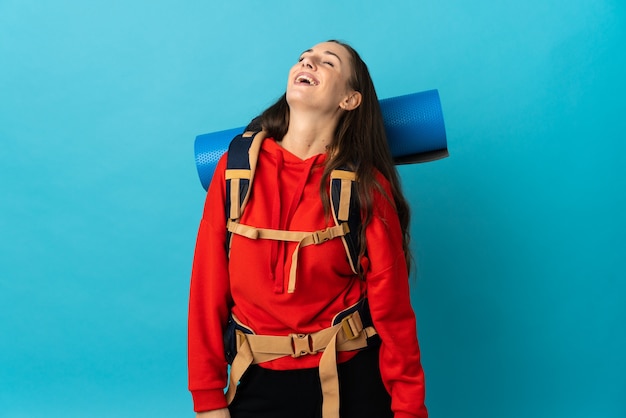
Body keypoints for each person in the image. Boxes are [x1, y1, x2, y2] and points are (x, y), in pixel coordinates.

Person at [188, 40, 428, 418]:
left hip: (350, 379)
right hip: (257, 380)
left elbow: (394, 314)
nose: (308, 62)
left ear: (350, 99)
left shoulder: (367, 188)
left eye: (326, 62)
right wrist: (207, 399)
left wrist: (410, 411)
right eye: (303, 58)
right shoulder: (235, 171)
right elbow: (207, 288)